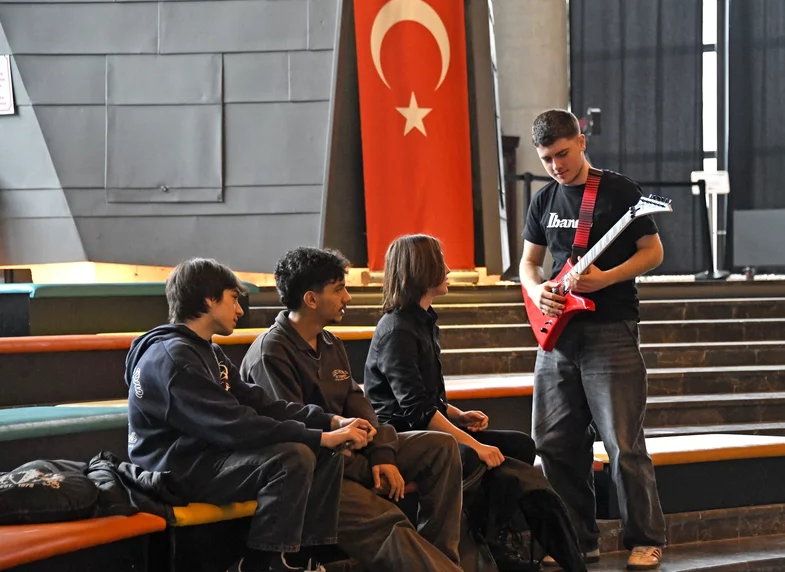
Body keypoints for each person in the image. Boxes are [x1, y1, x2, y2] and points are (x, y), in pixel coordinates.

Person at [125, 258, 373, 572]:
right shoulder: (174, 359)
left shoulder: (207, 350)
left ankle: (306, 557)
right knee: (292, 458)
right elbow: (236, 425)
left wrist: (330, 421)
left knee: (324, 454)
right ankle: (263, 565)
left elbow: (261, 403)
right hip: (174, 469)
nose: (240, 311)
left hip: (205, 456)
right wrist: (321, 437)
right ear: (209, 300)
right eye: (233, 299)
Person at [240, 246, 464, 572]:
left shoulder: (331, 343)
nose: (347, 297)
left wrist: (382, 455)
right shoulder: (270, 353)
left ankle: (443, 563)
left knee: (440, 447)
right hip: (317, 474)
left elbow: (361, 407)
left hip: (353, 455)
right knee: (389, 522)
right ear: (311, 299)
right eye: (338, 289)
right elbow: (297, 437)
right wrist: (369, 463)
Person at [519, 109, 667, 570]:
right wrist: (537, 291)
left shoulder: (619, 191)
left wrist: (607, 278)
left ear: (581, 142)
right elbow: (528, 262)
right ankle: (576, 541)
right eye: (546, 159)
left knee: (623, 444)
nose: (556, 166)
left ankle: (644, 539)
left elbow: (653, 252)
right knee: (554, 442)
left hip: (611, 330)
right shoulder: (544, 200)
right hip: (558, 337)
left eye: (563, 154)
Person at [363, 234, 536, 472]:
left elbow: (427, 400)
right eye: (440, 262)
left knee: (521, 445)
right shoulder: (397, 331)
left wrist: (458, 416)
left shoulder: (421, 321)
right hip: (403, 436)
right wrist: (475, 445)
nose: (448, 270)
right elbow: (416, 411)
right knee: (472, 456)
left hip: (423, 428)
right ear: (421, 269)